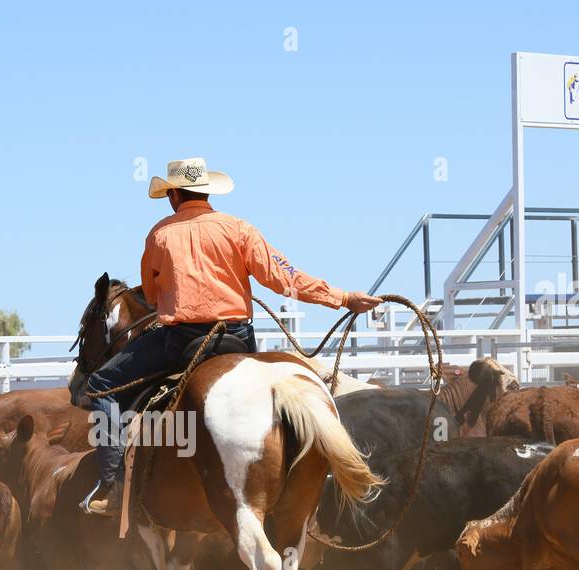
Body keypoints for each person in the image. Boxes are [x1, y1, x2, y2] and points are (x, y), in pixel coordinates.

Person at [83, 157, 382, 516]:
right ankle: (318, 475)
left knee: (101, 384)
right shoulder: (239, 229)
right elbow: (284, 277)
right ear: (207, 191)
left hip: (181, 343)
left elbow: (151, 290)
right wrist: (343, 298)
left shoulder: (160, 234)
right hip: (238, 339)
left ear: (174, 195)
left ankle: (113, 486)